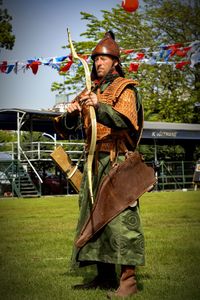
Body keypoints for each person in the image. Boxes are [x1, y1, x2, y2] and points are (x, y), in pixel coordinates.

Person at [55, 31, 145, 298]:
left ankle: (128, 280)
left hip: (117, 161)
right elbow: (67, 128)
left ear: (115, 61)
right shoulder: (90, 89)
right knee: (94, 219)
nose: (98, 63)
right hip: (93, 162)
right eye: (95, 59)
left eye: (103, 59)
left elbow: (127, 121)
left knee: (121, 220)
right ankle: (104, 276)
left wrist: (100, 106)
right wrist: (71, 115)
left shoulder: (125, 87)